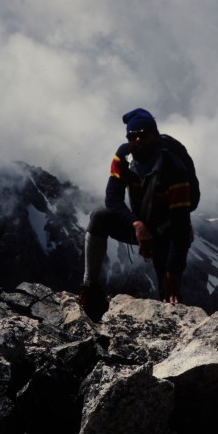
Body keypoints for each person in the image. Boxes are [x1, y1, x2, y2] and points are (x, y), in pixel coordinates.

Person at [78, 108, 195, 322]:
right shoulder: (123, 157)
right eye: (133, 136)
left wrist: (173, 270)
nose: (138, 140)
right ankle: (89, 288)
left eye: (144, 134)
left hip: (168, 231)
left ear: (155, 136)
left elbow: (180, 223)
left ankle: (174, 324)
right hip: (141, 226)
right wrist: (136, 224)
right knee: (99, 218)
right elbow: (112, 199)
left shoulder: (173, 166)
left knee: (168, 293)